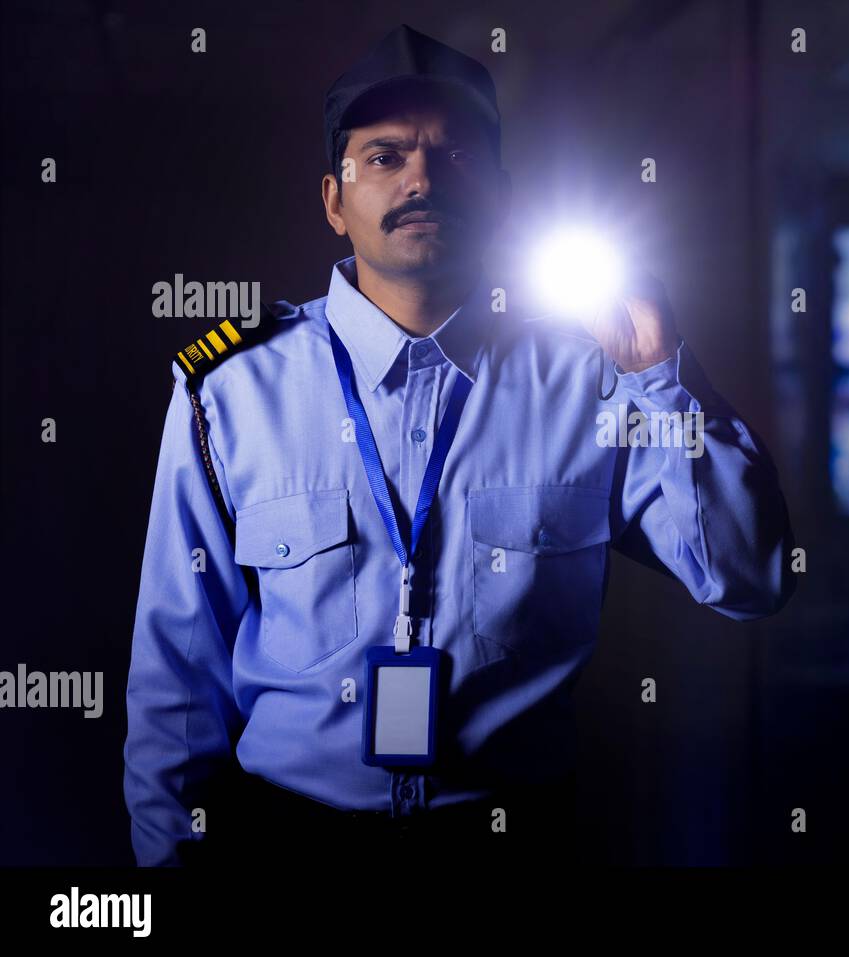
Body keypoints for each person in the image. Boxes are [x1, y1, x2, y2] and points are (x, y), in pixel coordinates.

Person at [123, 23, 796, 868]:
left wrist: (659, 374)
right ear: (334, 199)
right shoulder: (228, 391)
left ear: (502, 195)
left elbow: (750, 574)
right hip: (288, 847)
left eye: (456, 155)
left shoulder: (593, 379)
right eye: (385, 156)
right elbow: (175, 684)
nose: (422, 179)